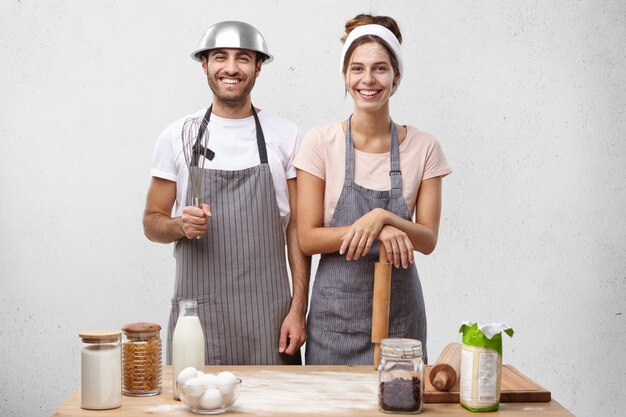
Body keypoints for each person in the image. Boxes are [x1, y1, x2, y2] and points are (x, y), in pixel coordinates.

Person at [143, 21, 309, 365]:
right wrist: (179, 226)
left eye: (243, 58)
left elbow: (297, 230)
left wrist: (298, 308)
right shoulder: (178, 136)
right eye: (221, 57)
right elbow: (151, 222)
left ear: (259, 67)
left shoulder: (286, 135)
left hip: (270, 318)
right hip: (201, 319)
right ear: (204, 64)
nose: (231, 68)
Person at [294, 14, 451, 365]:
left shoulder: (425, 147)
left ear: (396, 77)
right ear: (345, 75)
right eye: (357, 68)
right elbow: (307, 238)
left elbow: (426, 239)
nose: (368, 79)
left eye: (380, 69)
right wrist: (379, 230)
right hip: (334, 326)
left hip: (401, 322)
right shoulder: (320, 143)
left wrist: (382, 217)